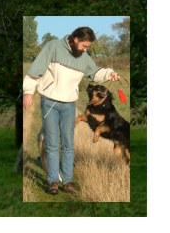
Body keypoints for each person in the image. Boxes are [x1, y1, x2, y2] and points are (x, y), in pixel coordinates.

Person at [23, 26, 120, 195]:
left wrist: (109, 73)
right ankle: (53, 181)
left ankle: (67, 181)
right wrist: (28, 92)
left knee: (68, 144)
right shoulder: (53, 47)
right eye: (84, 46)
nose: (86, 49)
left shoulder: (83, 56)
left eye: (87, 47)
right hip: (50, 102)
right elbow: (36, 69)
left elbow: (95, 72)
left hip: (69, 105)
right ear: (76, 40)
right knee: (52, 143)